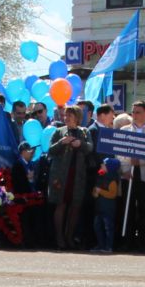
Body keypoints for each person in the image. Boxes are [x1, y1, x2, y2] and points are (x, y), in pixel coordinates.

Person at [46, 107, 91, 250]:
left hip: (77, 174)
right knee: (61, 204)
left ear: (77, 117)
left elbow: (90, 147)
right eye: (66, 115)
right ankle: (59, 238)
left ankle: (69, 236)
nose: (67, 118)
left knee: (75, 206)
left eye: (70, 115)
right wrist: (62, 142)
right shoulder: (59, 132)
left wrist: (81, 144)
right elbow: (50, 150)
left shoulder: (85, 131)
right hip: (61, 175)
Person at [90, 155, 121, 253]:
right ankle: (101, 244)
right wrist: (95, 193)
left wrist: (101, 192)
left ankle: (108, 246)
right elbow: (95, 190)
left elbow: (112, 195)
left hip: (108, 209)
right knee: (97, 226)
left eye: (104, 165)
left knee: (108, 227)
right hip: (99, 208)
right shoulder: (101, 177)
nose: (101, 165)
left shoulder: (112, 180)